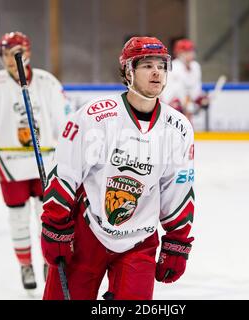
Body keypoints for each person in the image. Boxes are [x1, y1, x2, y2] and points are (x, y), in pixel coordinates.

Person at [41, 36, 195, 300]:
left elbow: (178, 187)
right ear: (128, 71)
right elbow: (65, 172)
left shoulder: (178, 128)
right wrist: (56, 226)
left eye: (161, 65)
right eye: (147, 65)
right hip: (88, 233)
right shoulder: (94, 117)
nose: (157, 71)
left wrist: (177, 241)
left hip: (140, 240)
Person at [0, 32, 70, 291]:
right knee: (17, 218)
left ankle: (47, 261)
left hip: (46, 161)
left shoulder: (46, 82)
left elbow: (65, 117)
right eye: (6, 53)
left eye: (16, 51)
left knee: (47, 216)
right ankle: (25, 264)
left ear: (27, 52)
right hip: (10, 161)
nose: (10, 58)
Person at [160, 38, 209, 124]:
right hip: (173, 107)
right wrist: (175, 102)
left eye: (191, 51)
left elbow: (196, 89)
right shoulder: (173, 67)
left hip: (188, 106)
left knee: (188, 129)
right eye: (186, 52)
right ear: (179, 54)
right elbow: (168, 91)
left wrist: (200, 99)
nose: (190, 54)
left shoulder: (195, 67)